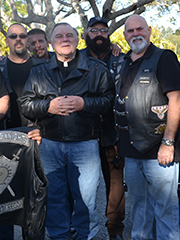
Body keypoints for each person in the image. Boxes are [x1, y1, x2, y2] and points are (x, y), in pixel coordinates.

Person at [18, 22, 114, 240]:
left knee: (86, 201)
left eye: (69, 35)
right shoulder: (38, 71)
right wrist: (47, 107)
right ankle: (59, 236)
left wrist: (84, 104)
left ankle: (85, 236)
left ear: (78, 40)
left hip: (85, 144)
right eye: (59, 36)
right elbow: (25, 104)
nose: (64, 39)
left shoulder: (96, 69)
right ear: (52, 42)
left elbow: (109, 102)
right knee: (55, 199)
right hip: (49, 144)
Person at [114, 15, 180, 240]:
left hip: (159, 152)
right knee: (139, 210)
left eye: (140, 29)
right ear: (125, 35)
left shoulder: (164, 58)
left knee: (165, 210)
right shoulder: (124, 61)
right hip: (131, 152)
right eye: (130, 30)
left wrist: (168, 143)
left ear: (150, 31)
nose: (136, 34)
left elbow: (176, 99)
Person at [81, 16, 126, 240]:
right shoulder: (76, 57)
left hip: (112, 131)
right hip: (81, 131)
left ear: (109, 35)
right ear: (85, 34)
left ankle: (115, 230)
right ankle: (78, 229)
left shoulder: (121, 59)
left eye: (103, 31)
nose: (99, 34)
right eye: (94, 30)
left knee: (115, 184)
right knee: (79, 186)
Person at [0, 23, 33, 129]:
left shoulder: (42, 67)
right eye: (13, 36)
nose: (18, 39)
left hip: (36, 130)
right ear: (7, 42)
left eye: (22, 36)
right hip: (6, 131)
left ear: (27, 40)